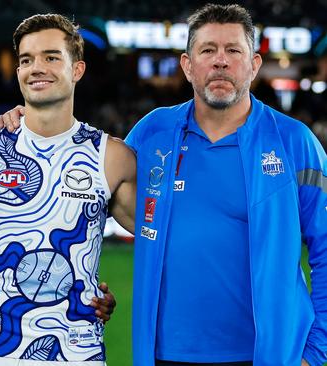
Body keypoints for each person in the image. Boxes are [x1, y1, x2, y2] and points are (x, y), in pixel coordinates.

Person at [126, 4, 327, 366]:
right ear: (188, 65)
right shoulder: (151, 133)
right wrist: (22, 124)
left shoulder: (294, 142)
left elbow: (326, 249)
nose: (220, 62)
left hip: (266, 357)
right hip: (163, 356)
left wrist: (315, 351)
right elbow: (89, 199)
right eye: (208, 50)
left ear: (254, 64)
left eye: (233, 50)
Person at [0, 13, 136, 365]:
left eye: (51, 57)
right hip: (0, 354)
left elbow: (160, 236)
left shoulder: (111, 156)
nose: (37, 68)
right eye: (27, 60)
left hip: (79, 352)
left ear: (77, 70)